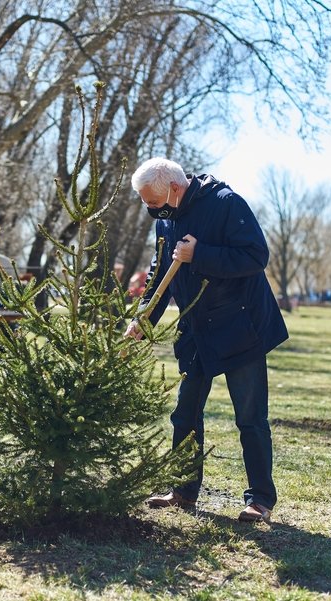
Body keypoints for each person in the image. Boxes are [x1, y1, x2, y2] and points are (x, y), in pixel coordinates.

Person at [126, 157, 288, 523]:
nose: (147, 207)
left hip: (239, 326)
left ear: (174, 188)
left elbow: (254, 256)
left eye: (151, 200)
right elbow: (160, 271)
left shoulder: (226, 204)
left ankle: (260, 500)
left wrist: (200, 254)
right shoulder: (165, 217)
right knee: (185, 413)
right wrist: (143, 320)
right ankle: (183, 491)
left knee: (250, 417)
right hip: (195, 327)